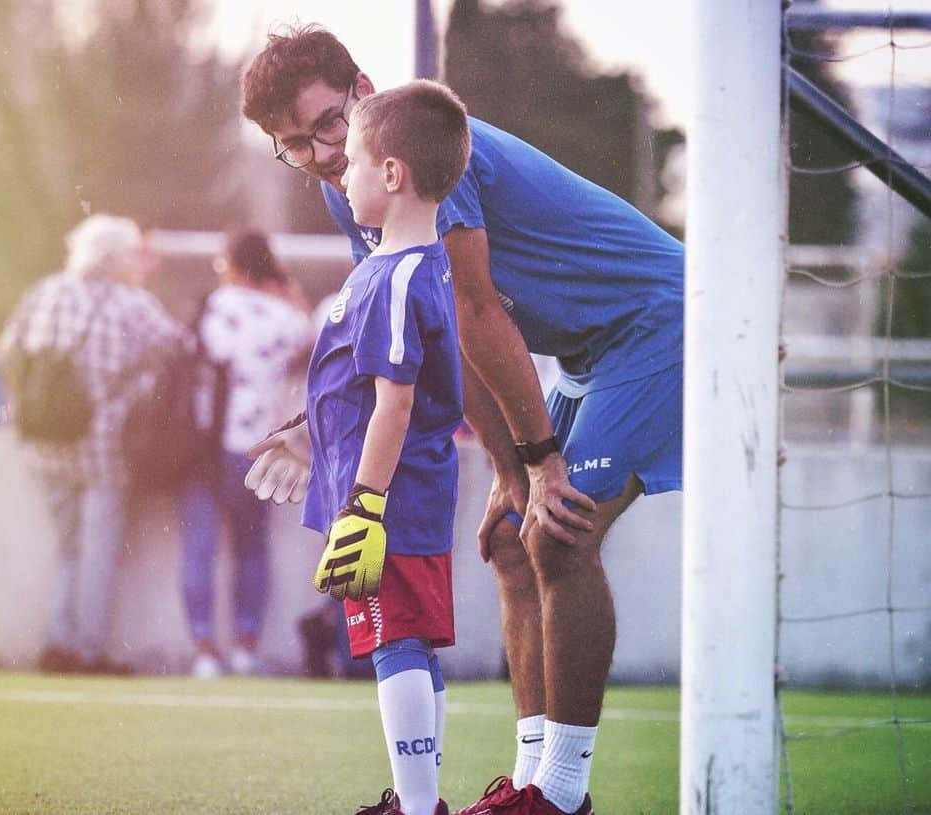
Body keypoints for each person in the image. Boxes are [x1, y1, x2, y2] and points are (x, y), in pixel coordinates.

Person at [241, 25, 684, 815]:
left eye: (327, 126)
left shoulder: (440, 155)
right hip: (584, 353)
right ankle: (527, 785)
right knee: (513, 539)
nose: (320, 154)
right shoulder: (349, 189)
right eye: (293, 145)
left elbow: (477, 309)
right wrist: (509, 470)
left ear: (364, 90)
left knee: (560, 531)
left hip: (655, 323)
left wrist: (541, 459)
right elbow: (421, 330)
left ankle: (562, 794)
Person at [250, 79, 471, 815]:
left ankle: (417, 806)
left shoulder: (400, 276)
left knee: (395, 641)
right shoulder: (387, 269)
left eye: (353, 163)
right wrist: (313, 439)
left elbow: (396, 399)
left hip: (394, 497)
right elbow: (356, 391)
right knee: (407, 642)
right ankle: (421, 796)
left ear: (392, 174)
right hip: (396, 490)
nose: (339, 174)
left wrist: (366, 504)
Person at [0, 214, 187, 675]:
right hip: (104, 444)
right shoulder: (131, 303)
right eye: (131, 255)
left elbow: (10, 348)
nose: (138, 263)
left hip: (46, 441)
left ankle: (56, 644)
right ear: (111, 258)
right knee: (98, 550)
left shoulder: (45, 292)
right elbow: (178, 345)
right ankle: (88, 649)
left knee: (66, 548)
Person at [180, 229, 311, 678]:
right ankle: (245, 645)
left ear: (230, 265)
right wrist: (287, 291)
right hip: (259, 449)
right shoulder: (285, 318)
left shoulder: (214, 308)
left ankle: (203, 650)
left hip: (204, 446)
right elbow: (312, 339)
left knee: (199, 548)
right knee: (252, 550)